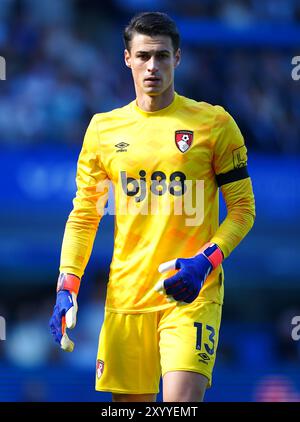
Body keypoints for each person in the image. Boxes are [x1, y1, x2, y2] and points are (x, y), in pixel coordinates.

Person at [49, 11, 255, 402]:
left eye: (162, 56)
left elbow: (243, 211)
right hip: (126, 298)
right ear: (127, 58)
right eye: (143, 56)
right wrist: (67, 285)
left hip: (192, 292)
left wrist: (204, 262)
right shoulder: (103, 129)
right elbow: (85, 216)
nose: (152, 66)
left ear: (178, 58)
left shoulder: (214, 124)